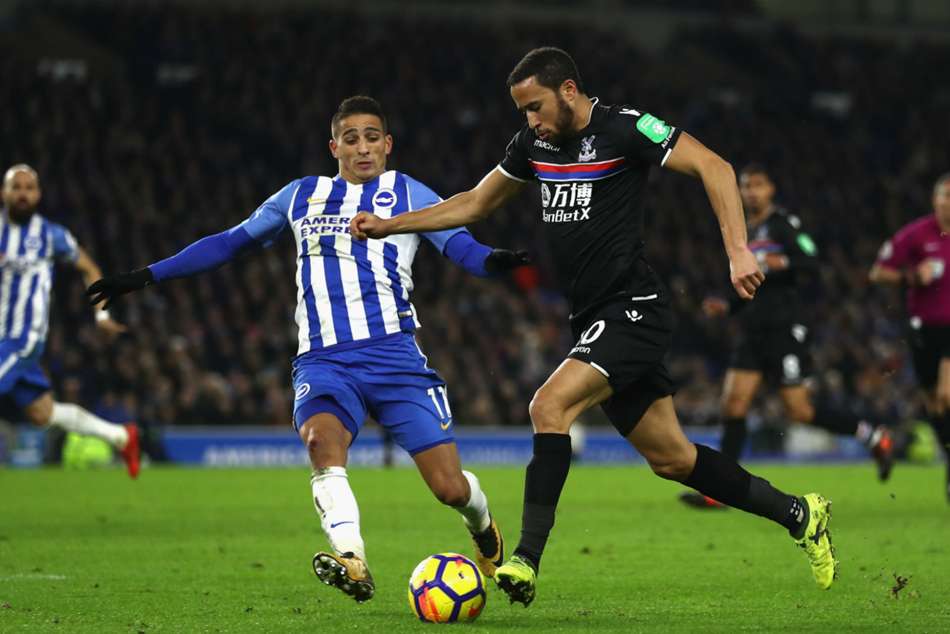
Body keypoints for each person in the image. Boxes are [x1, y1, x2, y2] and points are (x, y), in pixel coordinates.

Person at [350, 48, 837, 605]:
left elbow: (715, 167)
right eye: (522, 110)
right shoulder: (533, 145)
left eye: (535, 106)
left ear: (568, 91)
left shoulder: (624, 129)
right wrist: (391, 225)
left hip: (633, 308)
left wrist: (738, 250)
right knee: (673, 459)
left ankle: (525, 560)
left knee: (548, 406)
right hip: (592, 318)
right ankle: (799, 513)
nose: (529, 120)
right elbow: (476, 203)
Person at [87, 96, 526, 602]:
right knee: (321, 443)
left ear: (387, 144)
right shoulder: (300, 196)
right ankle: (352, 558)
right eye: (351, 139)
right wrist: (145, 276)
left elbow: (461, 247)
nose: (362, 148)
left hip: (395, 358)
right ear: (334, 147)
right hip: (323, 360)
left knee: (450, 488)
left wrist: (493, 262)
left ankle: (482, 523)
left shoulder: (409, 192)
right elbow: (228, 243)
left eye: (372, 137)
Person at [680, 164, 893, 510]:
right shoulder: (744, 231)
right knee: (733, 405)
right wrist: (728, 306)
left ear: (771, 190)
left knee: (800, 410)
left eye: (758, 185)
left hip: (784, 328)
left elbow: (812, 260)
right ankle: (721, 491)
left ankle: (872, 435)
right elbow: (749, 284)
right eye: (746, 186)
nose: (751, 192)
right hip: (752, 330)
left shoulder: (784, 224)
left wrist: (786, 262)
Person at [0, 164, 140, 477]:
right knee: (42, 413)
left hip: (22, 339)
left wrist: (101, 314)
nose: (22, 194)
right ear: (3, 193)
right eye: (16, 187)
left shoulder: (51, 235)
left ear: (38, 195)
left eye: (29, 188)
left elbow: (90, 269)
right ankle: (121, 436)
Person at [870, 172, 950, 502]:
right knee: (933, 403)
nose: (949, 202)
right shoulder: (916, 234)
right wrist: (912, 276)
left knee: (947, 394)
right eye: (945, 195)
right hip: (923, 330)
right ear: (935, 199)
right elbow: (878, 272)